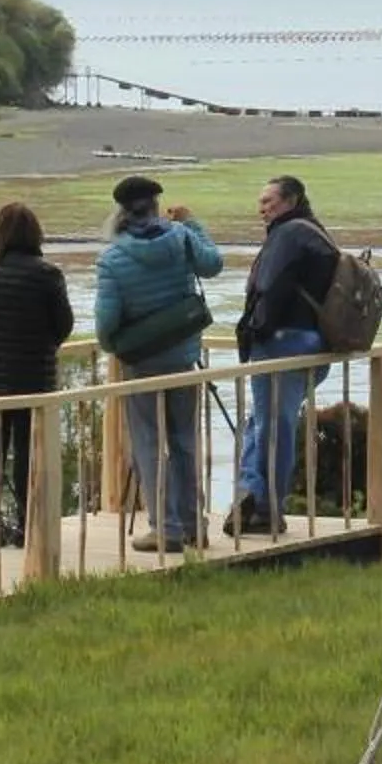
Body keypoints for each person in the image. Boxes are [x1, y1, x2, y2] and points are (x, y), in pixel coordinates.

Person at [93, 174, 222, 554]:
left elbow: (105, 324)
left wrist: (114, 345)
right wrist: (193, 223)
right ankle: (194, 525)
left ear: (120, 212)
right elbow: (213, 264)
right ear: (155, 205)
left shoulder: (113, 259)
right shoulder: (181, 238)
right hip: (183, 355)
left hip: (142, 362)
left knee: (149, 443)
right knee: (184, 440)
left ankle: (165, 529)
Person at [231, 172, 337, 537]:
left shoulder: (288, 234)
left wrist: (252, 330)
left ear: (290, 201)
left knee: (272, 427)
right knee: (264, 423)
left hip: (282, 344)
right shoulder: (315, 232)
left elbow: (267, 289)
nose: (262, 209)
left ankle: (264, 505)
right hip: (312, 343)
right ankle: (254, 495)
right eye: (260, 203)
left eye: (268, 202)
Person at [0, 200, 72, 547]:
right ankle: (28, 522)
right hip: (32, 377)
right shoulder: (47, 275)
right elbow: (63, 325)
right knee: (26, 449)